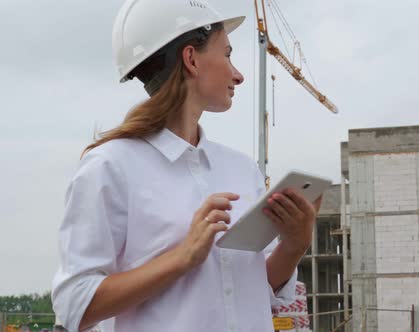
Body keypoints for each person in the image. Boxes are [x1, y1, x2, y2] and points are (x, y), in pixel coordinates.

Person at [51, 0, 321, 331]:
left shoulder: (241, 169)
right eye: (227, 54)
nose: (238, 74)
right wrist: (182, 258)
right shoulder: (109, 167)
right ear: (191, 59)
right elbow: (74, 304)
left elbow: (252, 290)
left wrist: (295, 245)